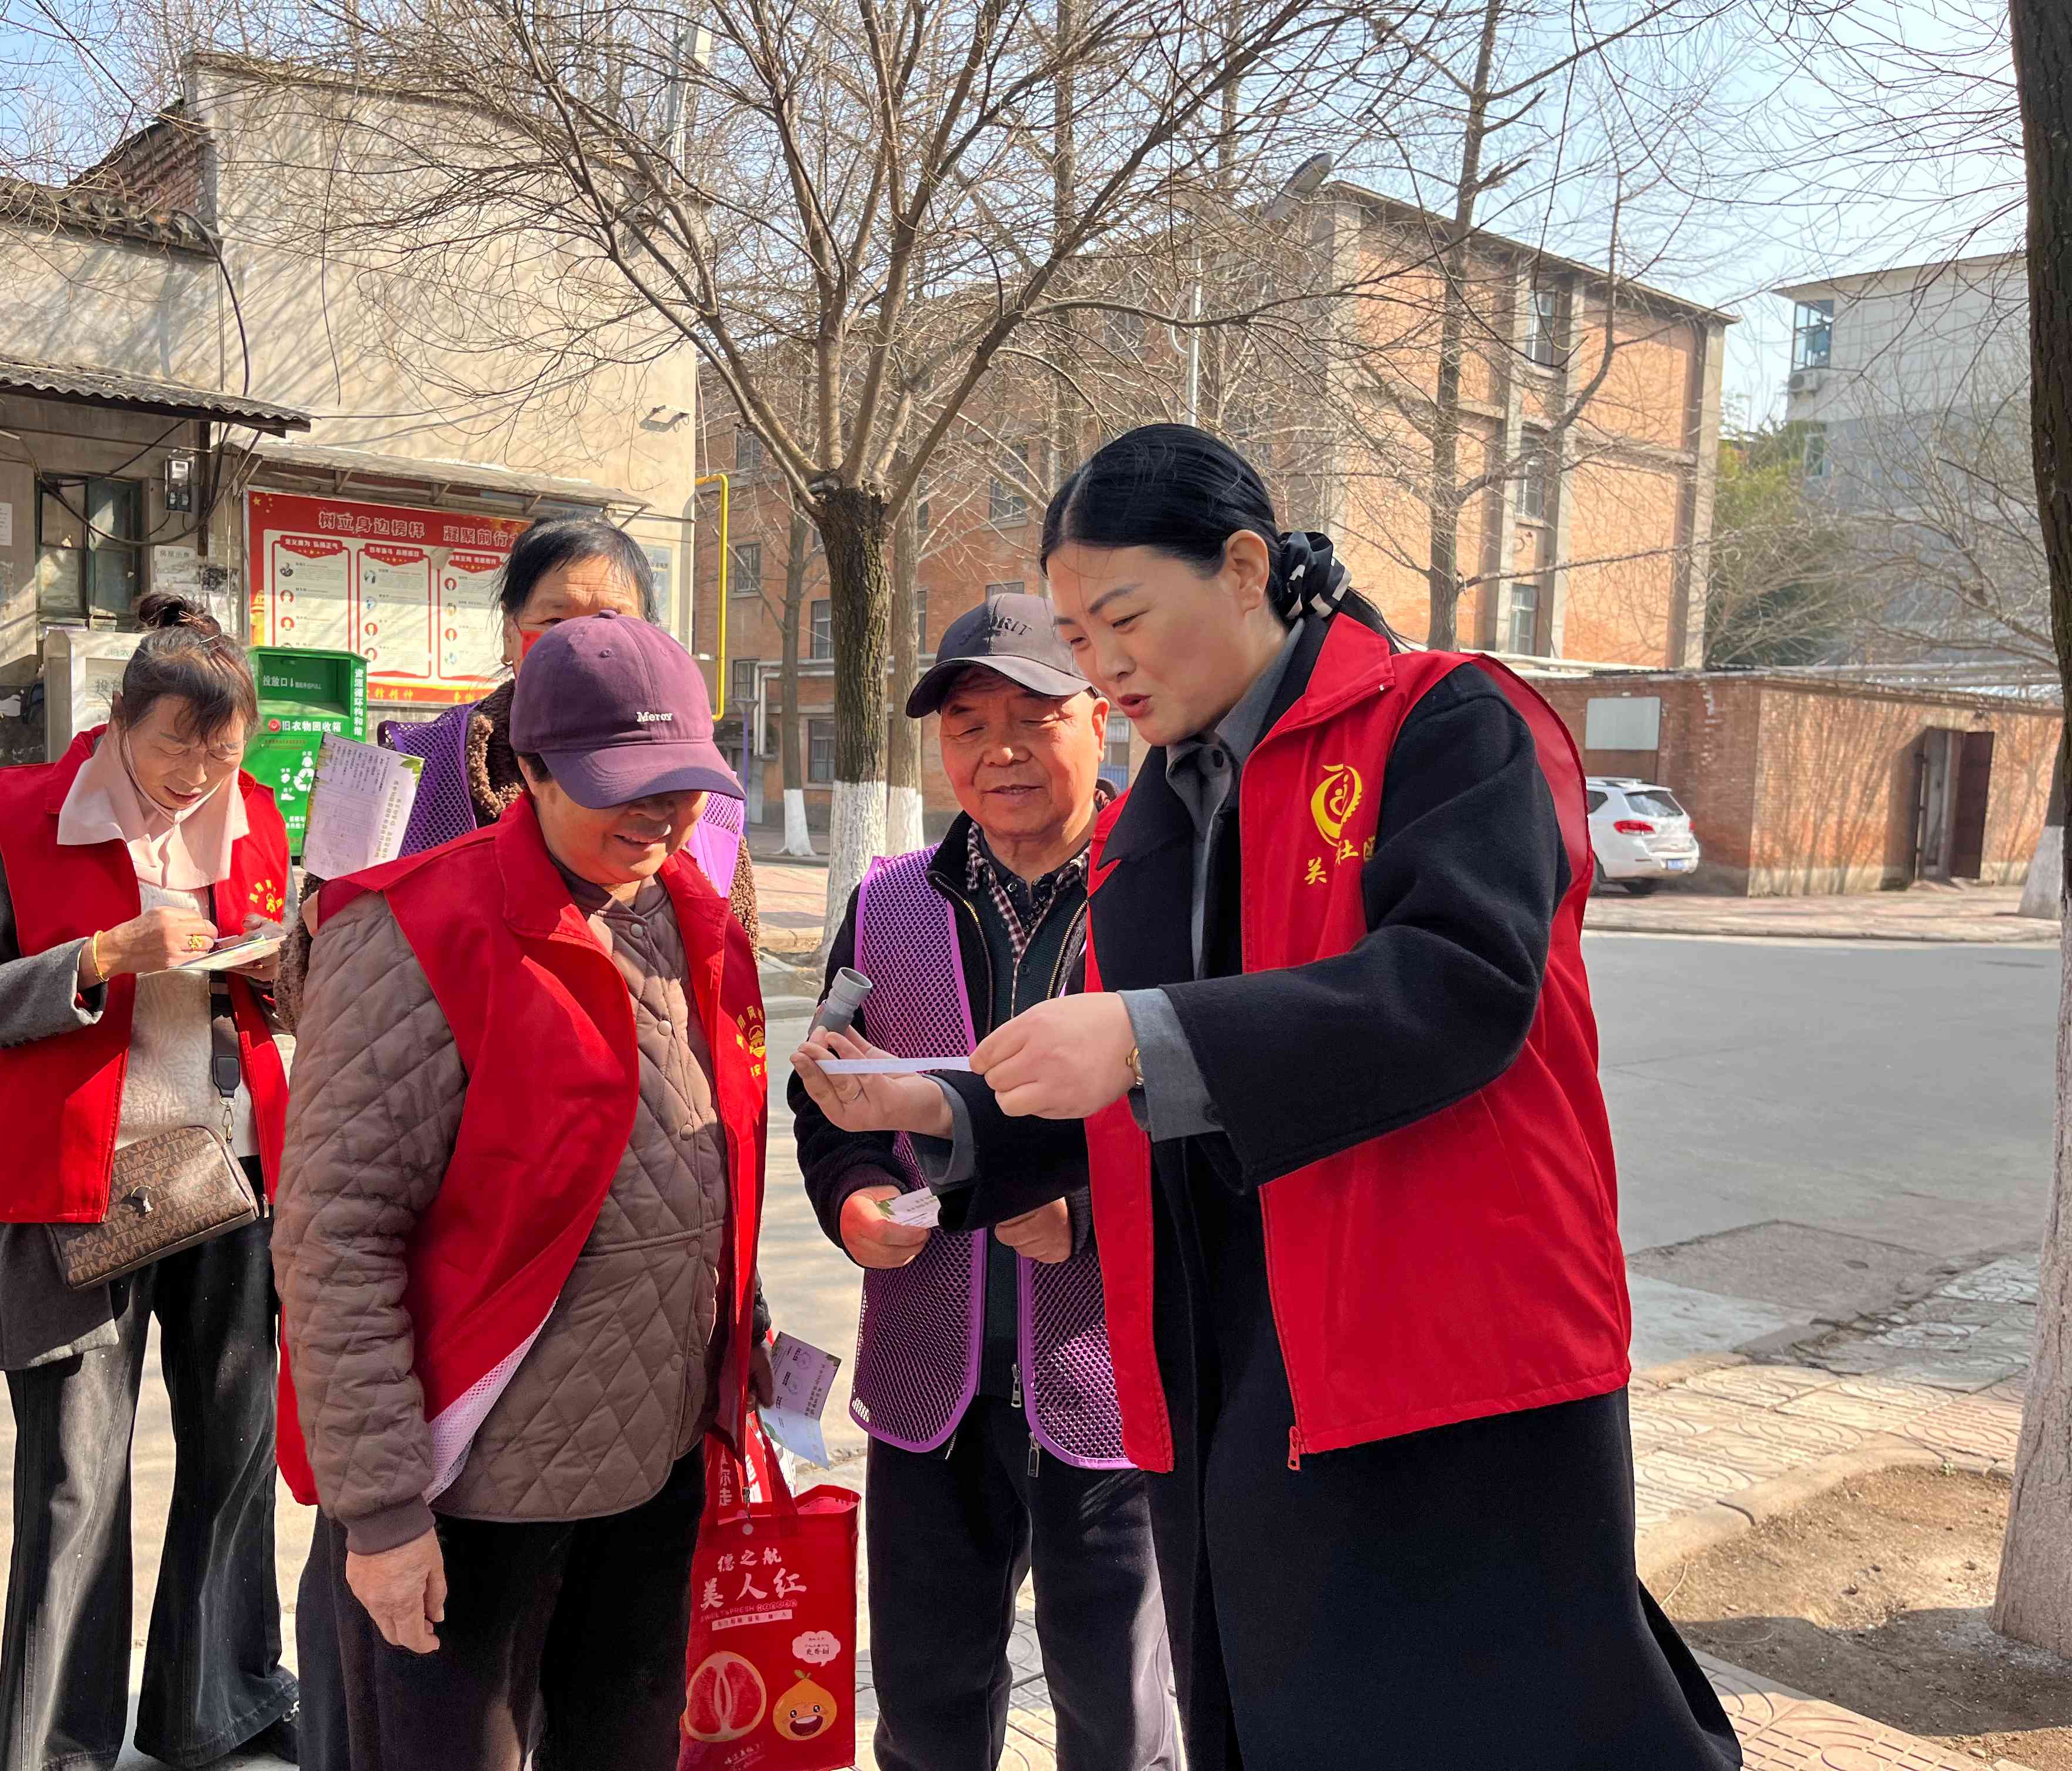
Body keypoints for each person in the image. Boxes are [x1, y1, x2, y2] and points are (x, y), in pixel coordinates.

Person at [846, 426, 1744, 1770]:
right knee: (1263, 1710)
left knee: (1492, 1717)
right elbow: (1147, 1095)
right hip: (1228, 1356)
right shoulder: (1163, 812)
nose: (1107, 666)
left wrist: (1141, 1035)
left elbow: (1462, 984)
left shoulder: (1443, 724)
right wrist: (962, 1124)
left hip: (1437, 1348)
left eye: (1126, 620)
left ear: (1245, 566)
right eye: (1081, 639)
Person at [275, 612, 771, 1771]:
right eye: (619, 786)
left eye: (680, 784)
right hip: (472, 1491)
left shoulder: (693, 921)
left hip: (652, 1465)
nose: (657, 815)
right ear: (532, 769)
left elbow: (707, 1168)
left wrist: (738, 1345)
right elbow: (336, 1236)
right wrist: (382, 1511)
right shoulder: (413, 931)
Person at [786, 596, 1175, 1771]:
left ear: (1099, 719)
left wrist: (1089, 1217)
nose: (999, 751)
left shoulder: (1168, 892)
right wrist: (853, 1197)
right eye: (967, 724)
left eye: (1033, 716)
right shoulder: (885, 902)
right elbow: (825, 1095)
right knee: (925, 1709)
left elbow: (1225, 1129)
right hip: (928, 1387)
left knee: (1119, 1718)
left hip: (1111, 1384)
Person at [0, 593, 301, 1771]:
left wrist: (280, 978)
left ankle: (216, 1705)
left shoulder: (255, 816)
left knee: (232, 1450)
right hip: (80, 1184)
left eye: (222, 753)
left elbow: (278, 996)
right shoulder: (22, 817)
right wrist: (98, 957)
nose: (197, 775)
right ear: (120, 719)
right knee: (75, 1482)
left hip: (228, 1172)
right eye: (176, 744)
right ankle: (57, 1743)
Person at [278, 516, 756, 1024]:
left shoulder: (708, 801)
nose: (585, 646)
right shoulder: (390, 771)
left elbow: (734, 1000)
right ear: (510, 634)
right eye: (555, 621)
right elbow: (304, 995)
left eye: (612, 621)